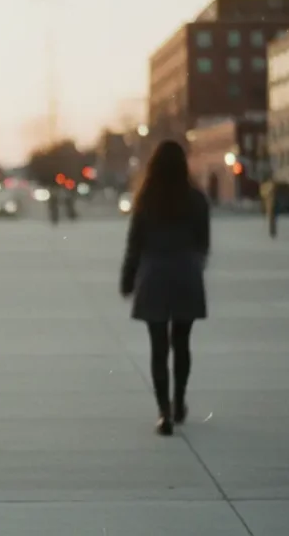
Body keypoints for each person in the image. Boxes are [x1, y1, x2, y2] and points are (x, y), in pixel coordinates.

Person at [120, 140, 210, 436]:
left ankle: (164, 412)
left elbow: (134, 244)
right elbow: (203, 243)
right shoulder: (196, 199)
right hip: (186, 274)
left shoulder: (146, 199)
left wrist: (128, 278)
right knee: (181, 343)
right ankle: (179, 400)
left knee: (158, 347)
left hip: (154, 275)